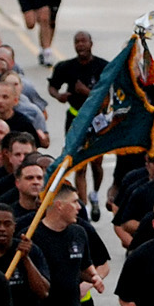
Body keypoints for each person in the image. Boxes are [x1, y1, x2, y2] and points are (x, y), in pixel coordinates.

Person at [47, 31, 108, 217]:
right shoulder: (66, 67)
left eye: (84, 41)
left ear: (91, 43)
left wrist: (87, 92)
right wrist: (58, 96)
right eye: (77, 42)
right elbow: (52, 86)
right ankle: (85, 207)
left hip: (97, 120)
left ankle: (95, 194)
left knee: (96, 164)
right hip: (75, 120)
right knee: (78, 164)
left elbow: (106, 99)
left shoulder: (103, 67)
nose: (80, 45)